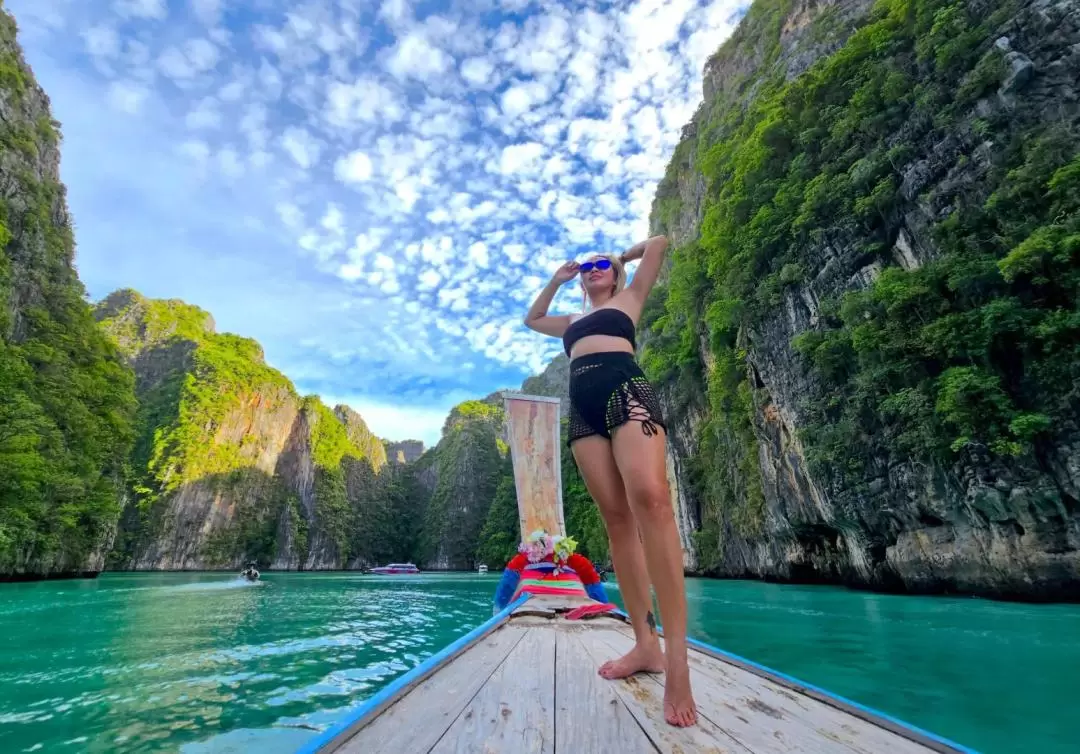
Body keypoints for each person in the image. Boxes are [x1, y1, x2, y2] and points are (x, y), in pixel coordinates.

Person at [522, 236, 697, 727]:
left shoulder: (630, 298)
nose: (594, 269)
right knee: (617, 521)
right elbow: (532, 320)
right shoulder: (573, 321)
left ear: (616, 274)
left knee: (652, 500)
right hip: (584, 408)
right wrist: (557, 280)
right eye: (588, 266)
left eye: (602, 265)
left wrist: (619, 257)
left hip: (625, 389)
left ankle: (677, 663)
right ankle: (646, 645)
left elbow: (661, 244)